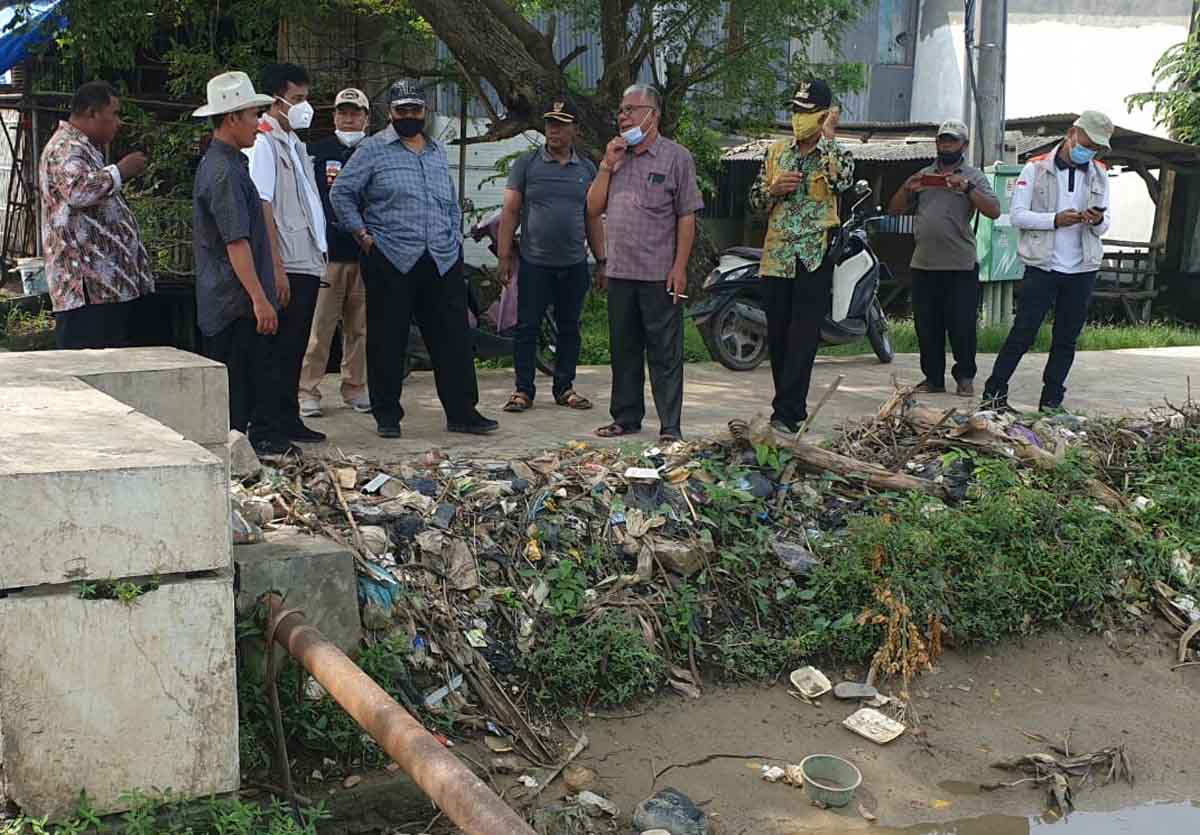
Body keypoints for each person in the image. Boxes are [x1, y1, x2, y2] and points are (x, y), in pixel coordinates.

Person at [330, 78, 498, 439]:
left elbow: (450, 201)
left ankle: (463, 412)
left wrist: (453, 237)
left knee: (453, 338)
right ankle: (387, 416)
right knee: (388, 340)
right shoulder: (373, 149)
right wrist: (362, 235)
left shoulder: (436, 150)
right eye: (402, 110)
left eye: (415, 110)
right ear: (390, 113)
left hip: (440, 258)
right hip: (391, 255)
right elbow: (342, 192)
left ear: (425, 112)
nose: (409, 116)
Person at [586, 84, 704, 442]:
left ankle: (670, 426)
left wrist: (679, 267)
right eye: (621, 110)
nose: (623, 117)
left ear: (653, 115)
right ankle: (626, 417)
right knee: (623, 350)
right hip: (621, 272)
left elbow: (686, 216)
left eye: (631, 109)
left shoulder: (676, 157)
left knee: (665, 353)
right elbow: (592, 208)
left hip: (658, 273)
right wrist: (606, 166)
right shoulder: (615, 157)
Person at [192, 71, 296, 457]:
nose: (258, 123)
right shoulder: (222, 172)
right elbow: (236, 242)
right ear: (232, 118)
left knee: (253, 376)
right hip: (233, 301)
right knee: (239, 382)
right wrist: (258, 298)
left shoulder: (231, 164)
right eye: (253, 115)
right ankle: (240, 452)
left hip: (235, 296)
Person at [982, 111, 1113, 413]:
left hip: (1083, 267)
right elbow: (1017, 215)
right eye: (1087, 142)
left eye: (1096, 146)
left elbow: (1106, 226)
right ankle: (994, 393)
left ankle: (1052, 401)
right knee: (1023, 332)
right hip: (1043, 265)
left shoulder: (1100, 172)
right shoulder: (1035, 168)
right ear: (1072, 134)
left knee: (1067, 338)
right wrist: (1054, 220)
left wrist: (1097, 220)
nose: (1090, 150)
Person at [747, 79, 854, 434]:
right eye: (795, 110)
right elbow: (754, 202)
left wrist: (829, 137)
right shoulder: (777, 152)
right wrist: (772, 190)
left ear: (823, 115)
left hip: (814, 254)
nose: (799, 118)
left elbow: (843, 183)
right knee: (777, 334)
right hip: (777, 255)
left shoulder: (836, 153)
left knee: (803, 335)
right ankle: (787, 405)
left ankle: (788, 412)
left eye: (807, 112)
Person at [498, 98, 605, 414]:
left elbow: (593, 218)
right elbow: (511, 211)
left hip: (573, 265)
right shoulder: (526, 165)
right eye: (550, 124)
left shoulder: (586, 169)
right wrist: (504, 257)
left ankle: (564, 387)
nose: (554, 130)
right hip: (534, 264)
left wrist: (603, 261)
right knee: (527, 327)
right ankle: (523, 390)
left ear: (576, 130)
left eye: (561, 124)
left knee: (569, 327)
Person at [888, 119, 1000, 397]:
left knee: (962, 325)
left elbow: (994, 211)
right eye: (942, 140)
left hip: (960, 265)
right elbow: (894, 210)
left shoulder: (973, 177)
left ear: (964, 145)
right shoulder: (923, 175)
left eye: (952, 140)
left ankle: (965, 377)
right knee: (927, 326)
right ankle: (933, 378)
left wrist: (966, 189)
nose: (946, 145)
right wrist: (907, 188)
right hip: (924, 263)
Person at [39, 81, 154, 349]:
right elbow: (78, 190)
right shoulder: (66, 148)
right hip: (86, 292)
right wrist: (120, 171)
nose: (119, 122)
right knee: (91, 374)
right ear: (92, 113)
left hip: (105, 290)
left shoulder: (85, 148)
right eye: (114, 113)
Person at [248, 62, 328, 444]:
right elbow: (263, 206)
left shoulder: (294, 143)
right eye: (297, 99)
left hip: (307, 258)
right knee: (277, 350)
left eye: (305, 98)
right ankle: (268, 426)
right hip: (287, 261)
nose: (303, 106)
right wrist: (275, 267)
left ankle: (288, 418)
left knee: (295, 346)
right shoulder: (263, 143)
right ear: (275, 100)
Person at [298, 87, 372, 418]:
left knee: (360, 329)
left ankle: (354, 388)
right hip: (328, 255)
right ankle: (307, 391)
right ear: (334, 116)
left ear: (367, 118)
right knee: (319, 328)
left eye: (355, 112)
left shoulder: (377, 151)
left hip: (367, 255)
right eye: (343, 112)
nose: (349, 118)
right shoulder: (317, 152)